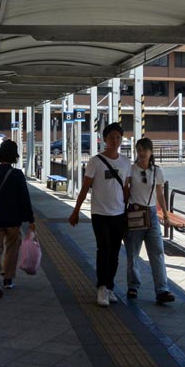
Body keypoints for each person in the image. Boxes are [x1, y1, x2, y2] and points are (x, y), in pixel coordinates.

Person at [69, 122, 130, 307]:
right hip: (99, 214)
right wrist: (76, 211)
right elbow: (85, 187)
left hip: (119, 214)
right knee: (103, 249)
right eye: (111, 137)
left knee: (115, 253)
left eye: (118, 137)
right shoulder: (95, 162)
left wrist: (128, 211)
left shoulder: (126, 162)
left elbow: (126, 188)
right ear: (104, 139)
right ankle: (101, 287)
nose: (115, 140)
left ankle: (109, 287)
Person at [0, 139, 35, 297]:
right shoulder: (17, 174)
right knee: (11, 249)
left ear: (0, 154)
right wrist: (30, 219)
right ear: (14, 157)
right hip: (13, 220)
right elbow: (25, 198)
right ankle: (8, 280)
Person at [123, 138, 175, 305]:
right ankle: (133, 286)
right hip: (135, 213)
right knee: (132, 253)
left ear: (151, 151)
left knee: (158, 253)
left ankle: (162, 290)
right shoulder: (130, 170)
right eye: (139, 150)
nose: (142, 153)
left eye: (145, 149)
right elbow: (124, 192)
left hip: (151, 214)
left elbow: (160, 195)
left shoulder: (157, 171)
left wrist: (166, 215)